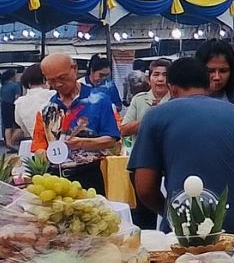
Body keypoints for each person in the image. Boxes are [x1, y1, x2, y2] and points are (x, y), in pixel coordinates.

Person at [130, 56, 234, 238]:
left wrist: (170, 214)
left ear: (172, 89)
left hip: (185, 229)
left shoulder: (156, 116)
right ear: (208, 85)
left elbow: (144, 188)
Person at [33, 51, 122, 194]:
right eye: (52, 81)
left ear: (74, 69)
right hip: (55, 178)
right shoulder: (46, 109)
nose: (58, 84)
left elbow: (111, 139)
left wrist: (82, 143)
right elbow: (38, 145)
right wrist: (43, 154)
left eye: (63, 77)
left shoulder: (99, 100)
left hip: (88, 175)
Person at [120, 59, 171, 137]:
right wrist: (148, 119)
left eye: (165, 75)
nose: (160, 79)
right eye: (156, 75)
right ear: (148, 80)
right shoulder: (138, 100)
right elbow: (123, 131)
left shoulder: (176, 100)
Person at [10, 64, 51, 146]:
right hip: (58, 144)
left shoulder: (19, 103)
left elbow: (22, 127)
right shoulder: (53, 96)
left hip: (37, 145)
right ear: (45, 78)